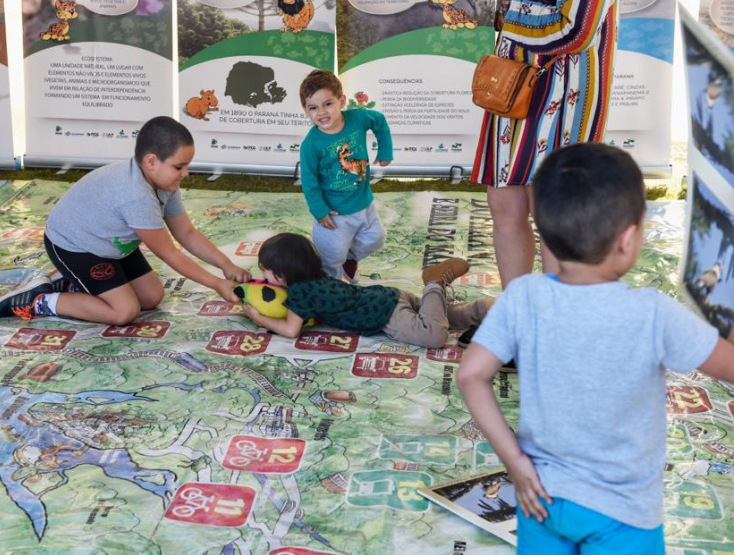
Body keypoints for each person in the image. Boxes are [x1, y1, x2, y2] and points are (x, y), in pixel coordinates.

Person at [456, 144, 734, 553]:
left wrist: (515, 462)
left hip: (540, 498)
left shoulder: (522, 296)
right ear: (628, 239)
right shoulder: (654, 314)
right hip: (624, 514)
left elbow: (469, 376)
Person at [0, 116, 251, 325]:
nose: (186, 173)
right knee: (124, 312)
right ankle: (39, 300)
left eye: (187, 166)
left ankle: (73, 284)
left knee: (151, 297)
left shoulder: (164, 183)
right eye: (179, 166)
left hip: (110, 244)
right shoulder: (136, 196)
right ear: (151, 161)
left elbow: (187, 233)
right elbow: (170, 253)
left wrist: (225, 265)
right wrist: (217, 284)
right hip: (74, 247)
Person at [471, 0, 618, 287]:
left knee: (552, 209)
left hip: (566, 94)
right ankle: (517, 304)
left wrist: (512, 14)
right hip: (513, 84)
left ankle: (555, 308)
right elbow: (498, 15)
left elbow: (577, 31)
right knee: (504, 202)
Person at [243, 233, 491, 348]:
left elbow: (291, 330)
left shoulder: (299, 293)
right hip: (386, 296)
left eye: (266, 270)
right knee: (440, 314)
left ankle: (434, 283)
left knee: (433, 335)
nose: (264, 276)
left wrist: (259, 318)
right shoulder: (317, 275)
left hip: (384, 315)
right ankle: (480, 310)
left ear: (283, 273)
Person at [299, 70, 393, 282]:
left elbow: (379, 121)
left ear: (341, 101)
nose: (321, 113)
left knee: (376, 238)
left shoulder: (358, 118)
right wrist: (319, 210)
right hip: (333, 213)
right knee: (332, 255)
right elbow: (309, 180)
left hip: (363, 203)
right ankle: (331, 285)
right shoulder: (310, 145)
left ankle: (350, 260)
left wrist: (385, 150)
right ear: (306, 110)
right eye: (313, 108)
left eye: (328, 104)